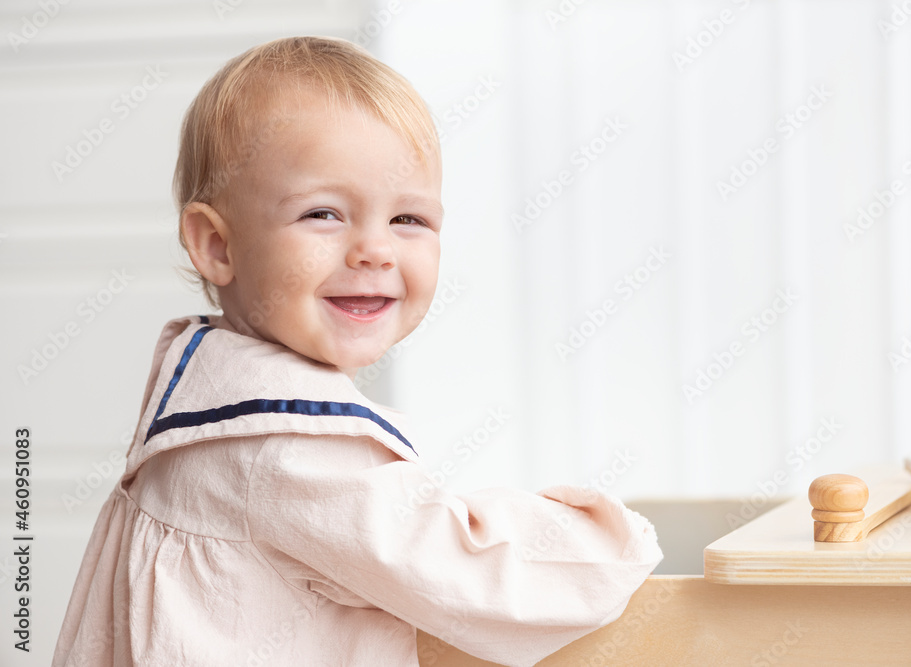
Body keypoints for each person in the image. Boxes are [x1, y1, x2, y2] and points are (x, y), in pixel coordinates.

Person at [53, 36, 662, 667]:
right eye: (324, 214)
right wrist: (607, 539)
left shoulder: (206, 398)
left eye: (409, 220)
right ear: (218, 245)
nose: (375, 249)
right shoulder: (283, 446)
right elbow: (472, 579)